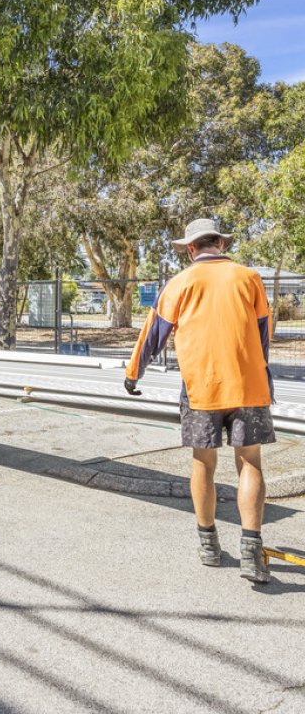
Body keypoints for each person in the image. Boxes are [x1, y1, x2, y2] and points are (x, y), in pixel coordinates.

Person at [125, 219, 275, 583]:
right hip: (248, 387)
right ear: (220, 244)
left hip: (200, 390)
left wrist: (133, 374)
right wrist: (262, 372)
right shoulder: (249, 278)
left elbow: (152, 335)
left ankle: (209, 545)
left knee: (203, 465)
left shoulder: (179, 283)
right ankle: (251, 552)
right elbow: (263, 333)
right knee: (250, 462)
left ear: (191, 249)